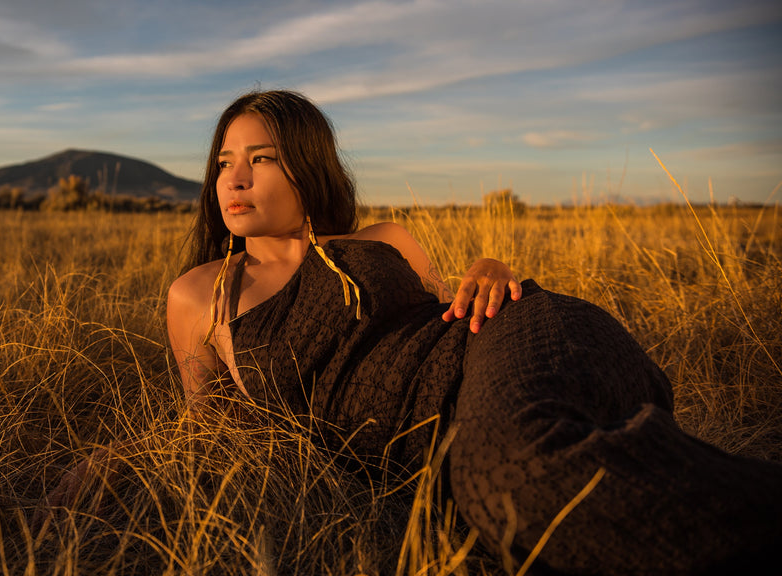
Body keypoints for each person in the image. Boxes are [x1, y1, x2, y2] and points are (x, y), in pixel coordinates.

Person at [45, 90, 782, 574]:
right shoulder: (201, 294)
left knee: (514, 475)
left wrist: (492, 265)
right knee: (503, 518)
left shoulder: (383, 239)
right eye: (224, 162)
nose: (234, 178)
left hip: (515, 343)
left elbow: (459, 305)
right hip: (456, 444)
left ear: (306, 169)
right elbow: (206, 425)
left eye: (261, 159)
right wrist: (116, 460)